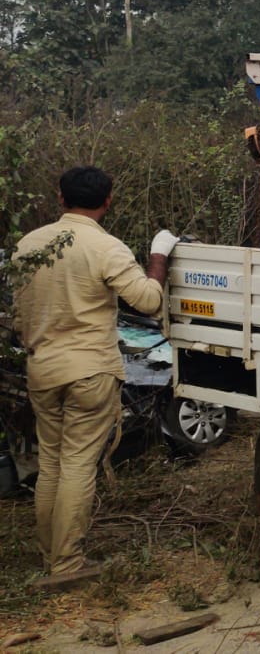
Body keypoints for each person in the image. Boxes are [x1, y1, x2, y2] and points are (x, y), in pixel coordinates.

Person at [12, 167, 174, 577]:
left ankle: (51, 559)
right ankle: (68, 565)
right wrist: (159, 256)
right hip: (90, 372)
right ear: (108, 200)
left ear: (61, 199)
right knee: (79, 466)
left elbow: (19, 316)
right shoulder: (107, 247)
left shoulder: (28, 245)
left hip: (42, 370)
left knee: (50, 465)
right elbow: (149, 300)